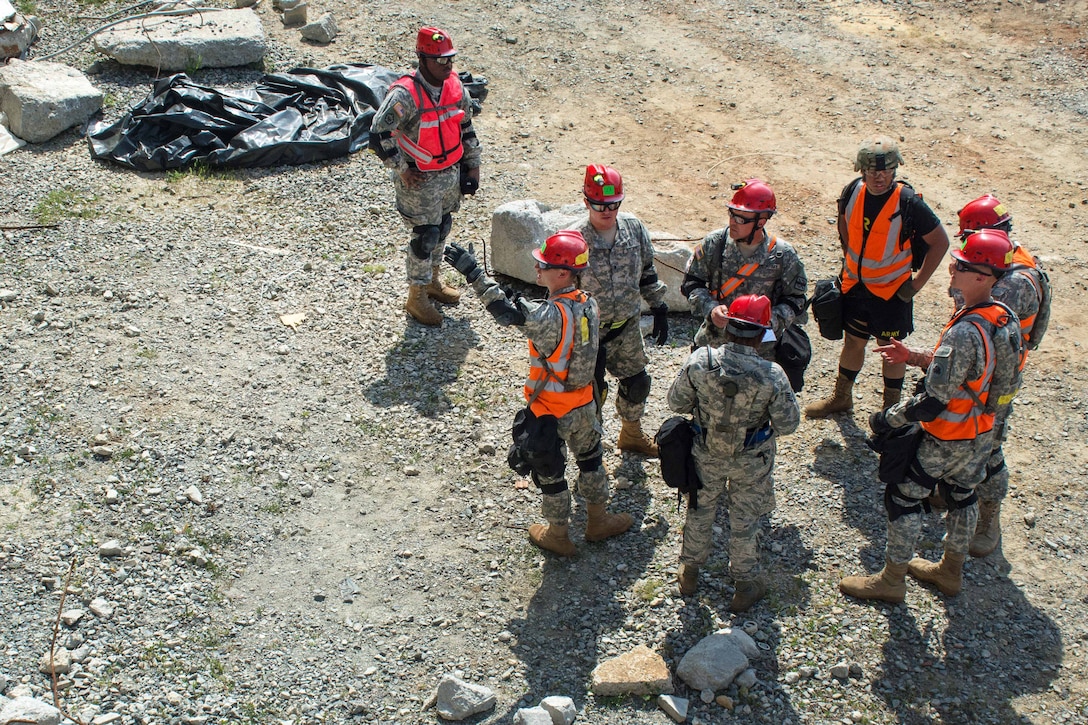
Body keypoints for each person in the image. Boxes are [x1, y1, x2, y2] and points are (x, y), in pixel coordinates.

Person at [839, 229, 1021, 603]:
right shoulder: (1003, 317)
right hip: (982, 432)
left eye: (961, 265)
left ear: (982, 278)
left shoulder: (965, 330)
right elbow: (989, 379)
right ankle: (951, 572)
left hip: (946, 435)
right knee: (963, 495)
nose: (951, 268)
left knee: (904, 498)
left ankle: (892, 580)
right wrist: (917, 357)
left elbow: (932, 401)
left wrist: (885, 419)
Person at [443, 231, 633, 556]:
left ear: (562, 273)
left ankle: (558, 535)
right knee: (590, 460)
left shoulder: (548, 316)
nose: (537, 269)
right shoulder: (589, 304)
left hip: (550, 410)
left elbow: (504, 311)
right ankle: (598, 521)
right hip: (584, 403)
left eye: (542, 265)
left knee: (551, 472)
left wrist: (474, 274)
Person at [667, 294, 800, 612]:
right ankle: (745, 584)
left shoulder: (700, 361)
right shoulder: (772, 375)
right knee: (744, 520)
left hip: (705, 451)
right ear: (761, 334)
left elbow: (676, 403)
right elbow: (789, 423)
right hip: (751, 458)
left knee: (699, 511)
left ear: (727, 328)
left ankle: (689, 573)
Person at [805, 136, 950, 417]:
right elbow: (845, 226)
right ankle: (842, 397)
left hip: (892, 293)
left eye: (885, 170)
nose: (879, 176)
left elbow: (940, 242)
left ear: (895, 170)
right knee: (853, 341)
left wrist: (916, 284)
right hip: (856, 287)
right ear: (862, 170)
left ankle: (890, 408)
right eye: (872, 170)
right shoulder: (853, 191)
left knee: (891, 348)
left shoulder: (907, 202)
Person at [954, 194, 1051, 558]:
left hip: (994, 381)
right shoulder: (1011, 261)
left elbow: (973, 315)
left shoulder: (1012, 282)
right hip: (976, 370)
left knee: (988, 446)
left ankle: (988, 520)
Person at [369, 26, 482, 327]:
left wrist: (473, 165)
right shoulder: (405, 95)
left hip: (448, 176)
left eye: (450, 60)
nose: (447, 66)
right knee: (425, 236)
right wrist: (401, 169)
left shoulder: (455, 87)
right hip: (420, 181)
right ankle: (416, 295)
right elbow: (379, 134)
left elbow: (466, 127)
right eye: (440, 61)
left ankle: (432, 281)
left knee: (442, 228)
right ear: (422, 59)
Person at [567, 164, 668, 457]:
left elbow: (647, 270)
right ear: (586, 202)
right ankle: (591, 453)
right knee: (591, 395)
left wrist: (658, 305)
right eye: (599, 204)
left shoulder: (634, 230)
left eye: (613, 204)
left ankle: (631, 435)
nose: (606, 211)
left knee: (637, 383)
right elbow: (560, 290)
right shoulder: (574, 240)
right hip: (589, 334)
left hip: (626, 327)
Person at [680, 179, 808, 387]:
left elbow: (796, 299)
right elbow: (691, 283)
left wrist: (772, 320)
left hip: (760, 353)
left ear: (762, 221)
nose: (733, 222)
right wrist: (711, 308)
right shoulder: (715, 244)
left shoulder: (782, 255)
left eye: (741, 219)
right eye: (731, 214)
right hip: (715, 345)